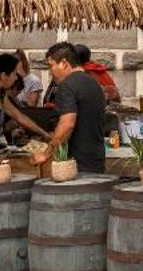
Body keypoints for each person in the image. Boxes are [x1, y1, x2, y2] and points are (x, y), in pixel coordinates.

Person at [36, 42, 106, 174]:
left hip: (76, 166)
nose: (50, 72)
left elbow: (67, 124)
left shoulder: (67, 86)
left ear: (64, 63)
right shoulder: (94, 83)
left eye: (51, 66)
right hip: (96, 162)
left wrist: (46, 154)